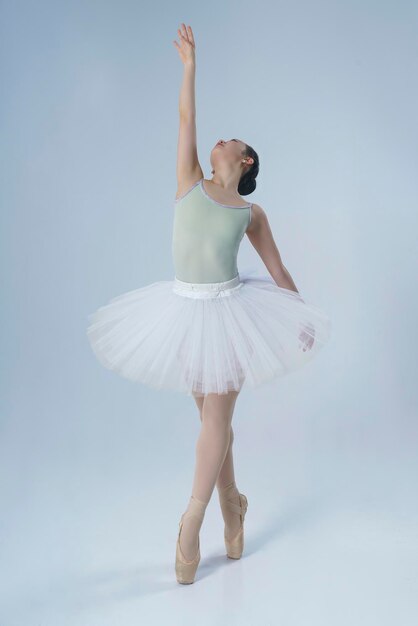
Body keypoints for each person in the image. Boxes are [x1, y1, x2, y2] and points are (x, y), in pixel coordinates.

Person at [86, 23, 332, 585]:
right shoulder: (189, 180)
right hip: (182, 312)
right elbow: (184, 122)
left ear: (246, 163)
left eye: (234, 141)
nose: (221, 140)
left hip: (229, 316)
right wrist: (190, 69)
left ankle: (191, 525)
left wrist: (299, 317)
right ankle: (233, 507)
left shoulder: (252, 213)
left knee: (215, 420)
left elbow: (278, 270)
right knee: (210, 425)